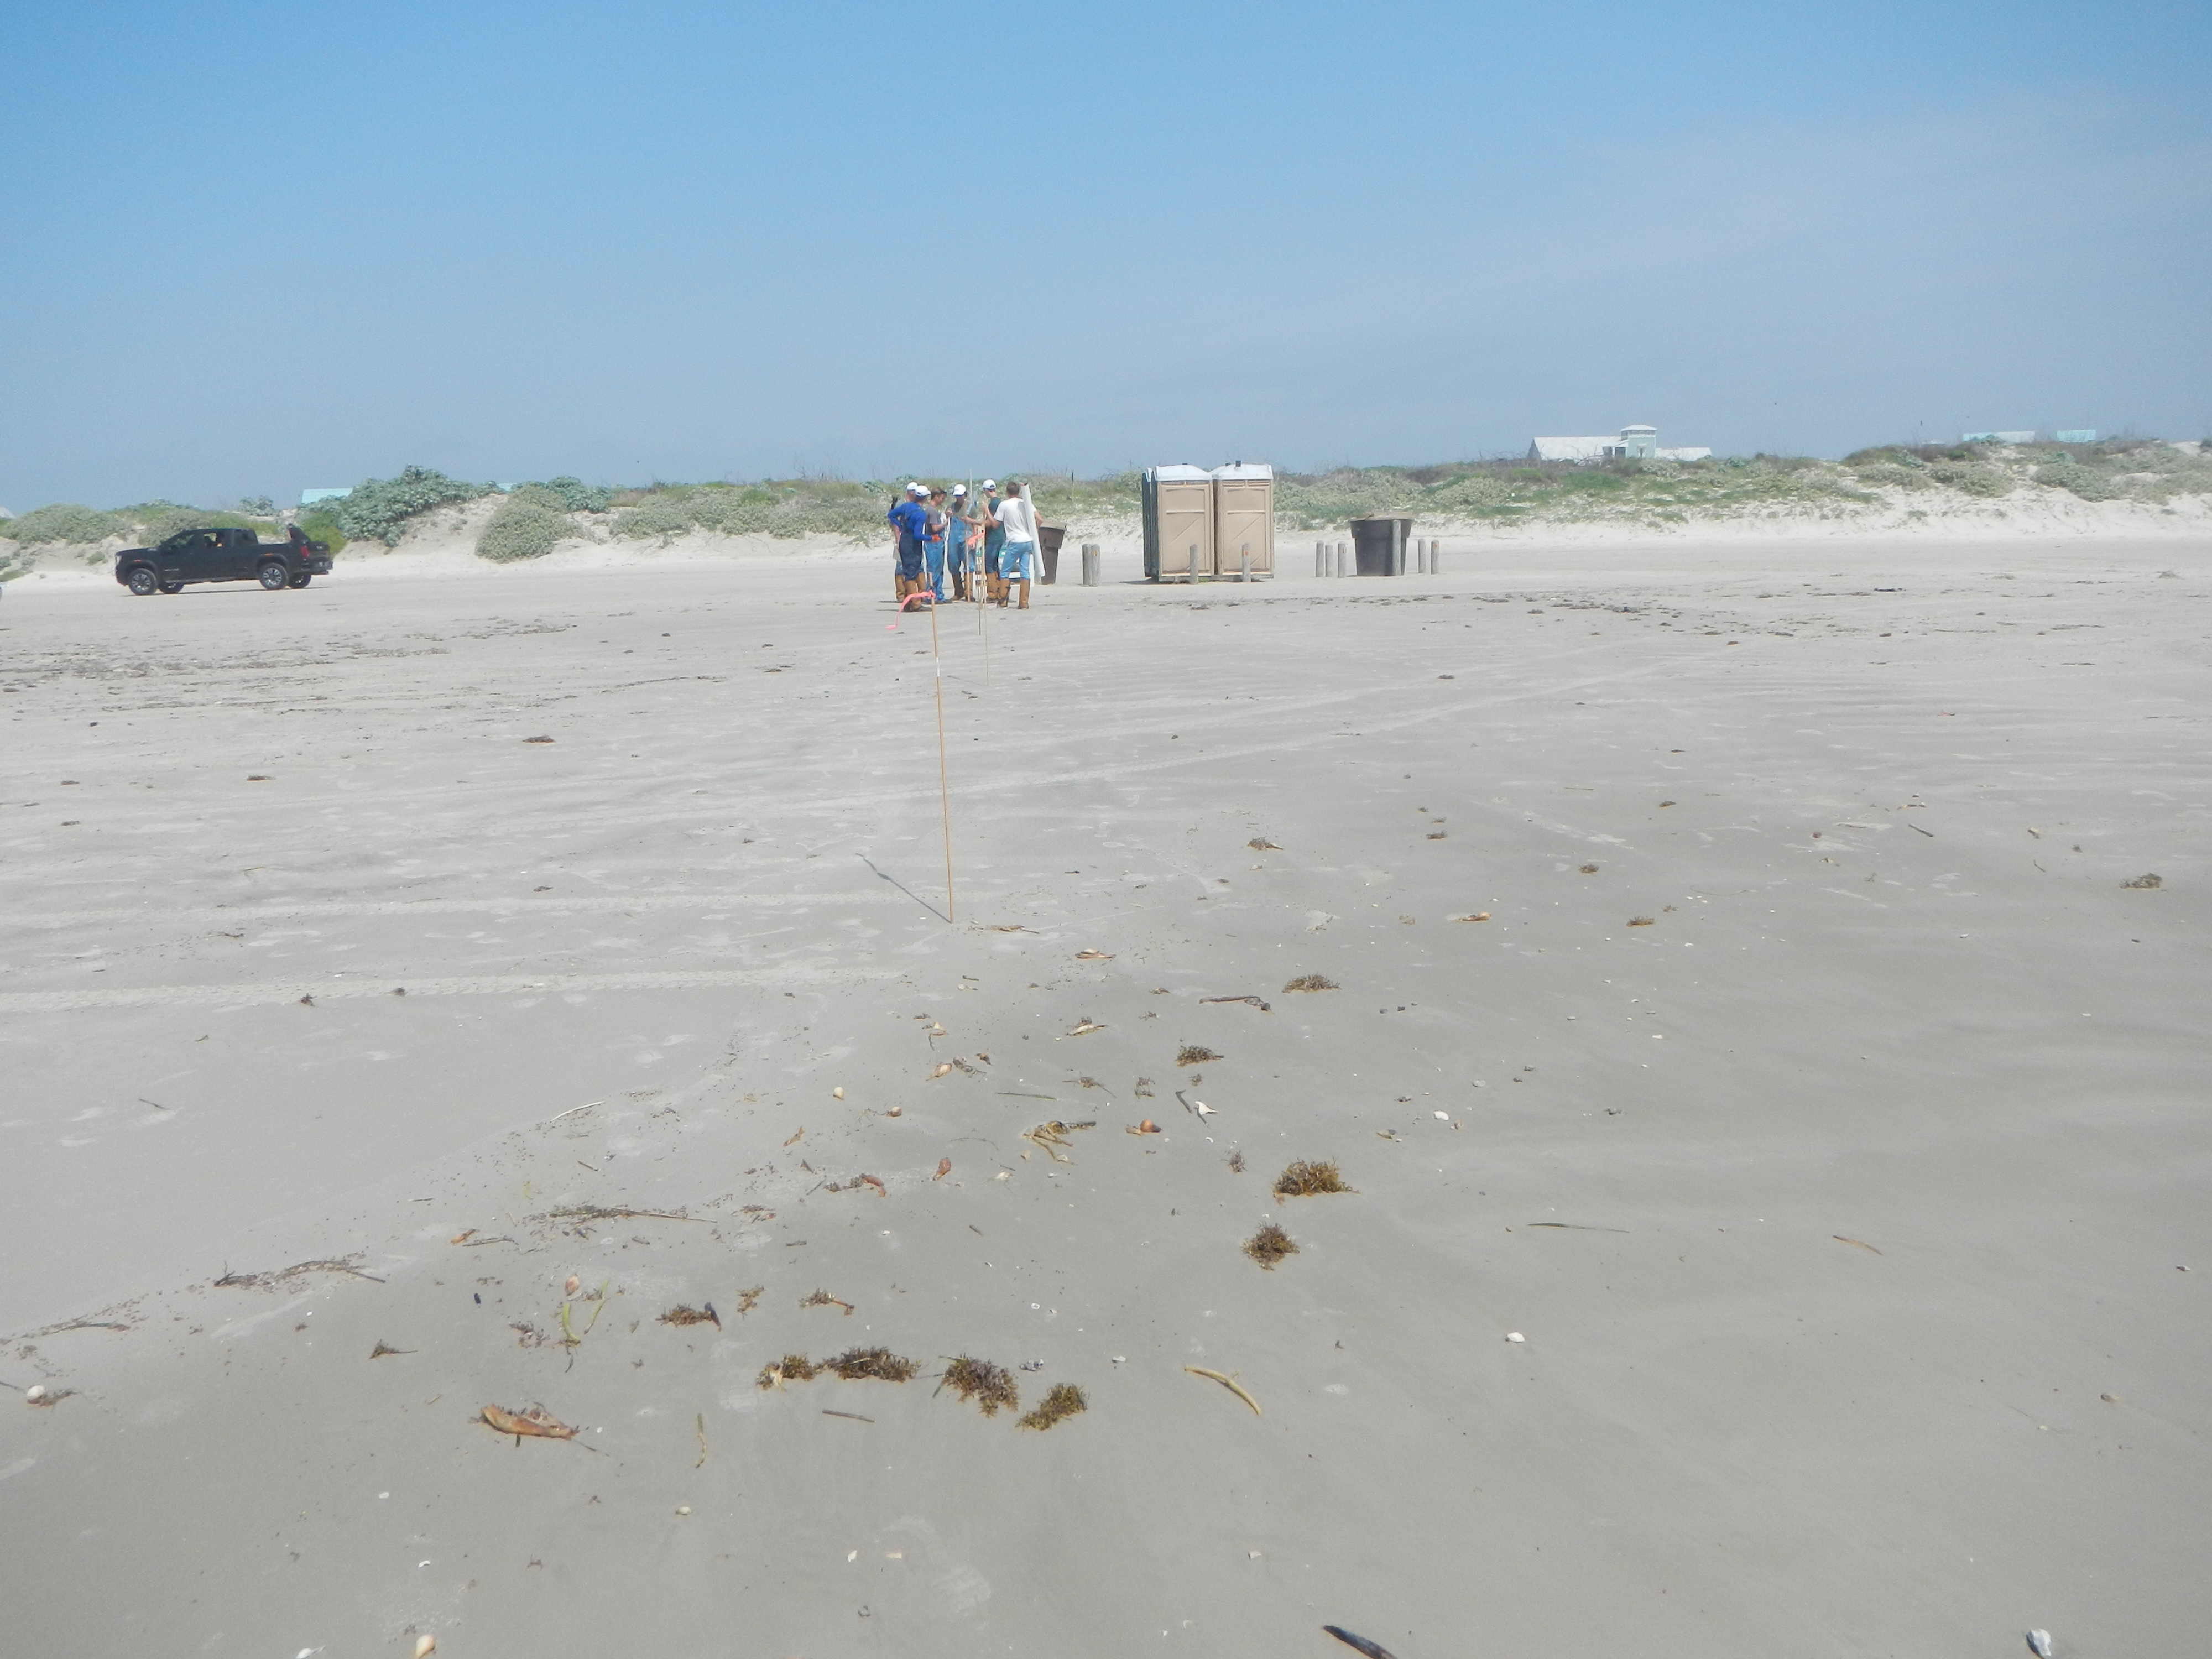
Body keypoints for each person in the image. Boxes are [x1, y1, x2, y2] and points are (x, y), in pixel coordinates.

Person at [993, 478, 1037, 609]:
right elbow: (1039, 519)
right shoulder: (1026, 503)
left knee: (1005, 571)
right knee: (1025, 571)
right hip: (1028, 540)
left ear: (1007, 492)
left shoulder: (1004, 505)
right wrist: (1033, 531)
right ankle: (1024, 603)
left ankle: (1003, 601)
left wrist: (987, 513)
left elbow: (996, 524)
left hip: (1014, 541)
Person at [887, 482, 928, 601]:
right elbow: (894, 520)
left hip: (908, 539)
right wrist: (898, 536)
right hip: (905, 539)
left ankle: (918, 596)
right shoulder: (903, 504)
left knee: (917, 567)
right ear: (911, 492)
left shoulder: (914, 505)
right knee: (902, 567)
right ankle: (903, 596)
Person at [947, 483, 982, 601]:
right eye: (956, 496)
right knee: (953, 563)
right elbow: (945, 519)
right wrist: (947, 515)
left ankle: (969, 592)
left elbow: (975, 525)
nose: (958, 498)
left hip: (966, 537)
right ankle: (958, 591)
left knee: (969, 564)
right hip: (953, 537)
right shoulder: (951, 506)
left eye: (960, 496)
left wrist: (974, 538)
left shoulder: (970, 508)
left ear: (965, 495)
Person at [922, 487, 953, 602]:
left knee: (939, 570)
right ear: (936, 497)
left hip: (936, 543)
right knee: (934, 570)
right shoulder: (932, 511)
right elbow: (935, 527)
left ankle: (938, 595)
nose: (943, 501)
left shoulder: (933, 511)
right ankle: (930, 594)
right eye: (942, 498)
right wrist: (946, 522)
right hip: (934, 544)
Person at [979, 479, 1006, 600]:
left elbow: (992, 522)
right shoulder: (998, 502)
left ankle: (993, 592)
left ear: (986, 490)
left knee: (989, 564)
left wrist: (985, 511)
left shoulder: (995, 504)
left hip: (994, 538)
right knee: (994, 564)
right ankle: (1000, 590)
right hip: (998, 537)